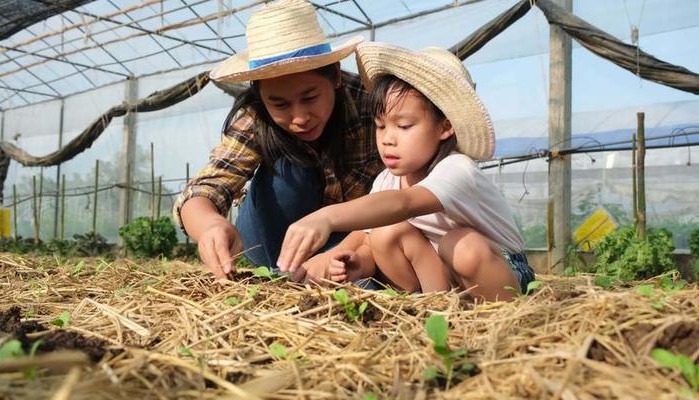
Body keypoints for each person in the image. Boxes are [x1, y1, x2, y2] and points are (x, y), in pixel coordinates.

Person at [278, 43, 535, 301]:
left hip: (502, 271)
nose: (387, 139)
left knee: (462, 245)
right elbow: (365, 234)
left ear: (445, 127)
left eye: (404, 125)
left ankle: (501, 313)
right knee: (384, 233)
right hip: (445, 278)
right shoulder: (388, 179)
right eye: (380, 126)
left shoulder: (458, 169)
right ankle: (435, 309)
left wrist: (327, 217)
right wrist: (338, 257)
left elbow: (405, 203)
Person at [173, 0, 382, 278]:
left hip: (353, 236)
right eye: (280, 105)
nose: (299, 118)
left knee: (364, 273)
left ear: (335, 76)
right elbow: (208, 186)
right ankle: (280, 274)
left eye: (310, 98)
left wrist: (346, 248)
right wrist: (210, 226)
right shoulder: (255, 117)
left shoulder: (373, 105)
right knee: (289, 170)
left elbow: (403, 189)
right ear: (261, 98)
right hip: (273, 235)